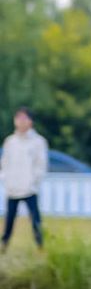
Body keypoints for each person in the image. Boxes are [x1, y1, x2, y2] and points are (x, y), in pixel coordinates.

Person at [2, 107, 49, 252]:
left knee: (35, 219)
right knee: (9, 219)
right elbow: (5, 163)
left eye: (24, 118)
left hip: (30, 188)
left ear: (30, 121)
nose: (20, 122)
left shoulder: (38, 142)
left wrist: (33, 181)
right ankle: (4, 243)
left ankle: (40, 245)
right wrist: (6, 179)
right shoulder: (10, 141)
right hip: (13, 187)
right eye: (18, 118)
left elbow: (41, 165)